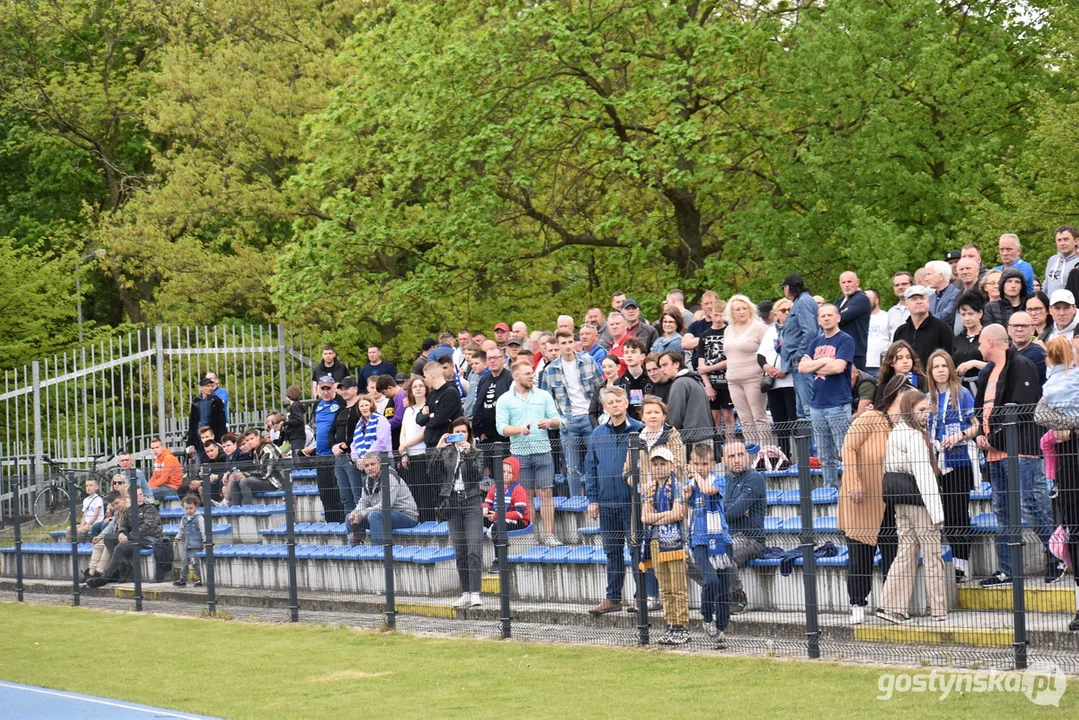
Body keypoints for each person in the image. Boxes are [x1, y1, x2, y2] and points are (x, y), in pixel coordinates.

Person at [974, 324, 1057, 587]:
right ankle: (1008, 569)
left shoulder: (1021, 365)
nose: (977, 346)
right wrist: (980, 434)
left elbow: (1021, 410)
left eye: (979, 342)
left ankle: (1058, 557)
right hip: (994, 453)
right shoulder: (987, 372)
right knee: (1002, 511)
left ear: (989, 342)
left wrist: (992, 437)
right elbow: (980, 410)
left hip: (1021, 450)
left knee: (1031, 505)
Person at [875, 389, 948, 624]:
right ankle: (938, 610)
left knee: (905, 552)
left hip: (900, 500)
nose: (926, 414)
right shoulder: (916, 436)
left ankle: (891, 606)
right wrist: (937, 511)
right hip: (920, 501)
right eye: (921, 410)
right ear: (909, 410)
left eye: (927, 409)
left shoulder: (896, 431)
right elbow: (924, 474)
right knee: (932, 554)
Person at [839, 376, 906, 625]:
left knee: (892, 552)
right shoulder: (869, 418)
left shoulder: (903, 426)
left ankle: (890, 605)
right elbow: (848, 448)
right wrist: (854, 482)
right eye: (903, 396)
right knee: (860, 553)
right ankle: (857, 603)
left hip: (890, 500)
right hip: (861, 499)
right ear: (892, 397)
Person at [585, 387, 646, 616]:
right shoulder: (597, 434)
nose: (615, 405)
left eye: (618, 400)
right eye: (610, 402)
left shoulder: (640, 430)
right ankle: (613, 598)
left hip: (633, 503)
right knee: (612, 552)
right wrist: (593, 499)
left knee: (636, 550)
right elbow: (590, 468)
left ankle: (642, 598)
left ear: (627, 402)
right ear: (605, 406)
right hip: (607, 503)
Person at [496, 360, 561, 545]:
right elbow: (501, 428)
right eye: (527, 373)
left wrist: (550, 423)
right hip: (519, 454)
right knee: (527, 495)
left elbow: (557, 419)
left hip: (543, 450)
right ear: (516, 376)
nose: (531, 376)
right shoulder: (505, 400)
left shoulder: (543, 395)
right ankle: (532, 535)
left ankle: (549, 535)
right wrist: (518, 430)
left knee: (546, 492)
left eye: (532, 373)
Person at [927, 350, 977, 583]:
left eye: (944, 366)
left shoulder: (962, 393)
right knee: (945, 515)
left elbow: (976, 425)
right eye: (935, 366)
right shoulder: (927, 399)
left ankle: (962, 565)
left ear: (950, 369)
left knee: (958, 514)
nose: (940, 370)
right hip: (936, 465)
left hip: (959, 462)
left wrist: (959, 437)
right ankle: (952, 562)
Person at [539, 329, 604, 497]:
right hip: (568, 421)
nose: (568, 346)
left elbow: (601, 389)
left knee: (596, 461)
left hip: (590, 418)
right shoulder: (550, 370)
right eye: (563, 343)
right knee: (571, 467)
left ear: (575, 343)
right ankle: (576, 500)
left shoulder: (589, 361)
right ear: (558, 346)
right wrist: (559, 419)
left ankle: (597, 498)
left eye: (570, 342)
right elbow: (546, 400)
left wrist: (598, 415)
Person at [799, 304, 855, 489]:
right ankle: (829, 488)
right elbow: (801, 368)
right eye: (822, 316)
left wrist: (814, 365)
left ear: (838, 318)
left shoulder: (845, 340)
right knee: (824, 454)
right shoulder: (815, 343)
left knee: (844, 450)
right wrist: (824, 361)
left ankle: (849, 487)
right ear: (818, 320)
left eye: (830, 315)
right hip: (817, 405)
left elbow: (839, 367)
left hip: (837, 403)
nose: (826, 318)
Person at [683, 443, 732, 646]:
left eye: (704, 464)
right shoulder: (689, 485)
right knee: (710, 580)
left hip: (721, 539)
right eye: (696, 464)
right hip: (700, 541)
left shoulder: (719, 481)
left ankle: (721, 630)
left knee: (724, 587)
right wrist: (685, 498)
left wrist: (694, 475)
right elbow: (685, 513)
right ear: (691, 463)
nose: (700, 467)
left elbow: (708, 490)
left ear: (713, 464)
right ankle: (706, 617)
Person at [639, 446, 689, 645]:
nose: (659, 467)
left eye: (663, 464)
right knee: (665, 587)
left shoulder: (677, 486)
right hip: (654, 540)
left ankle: (682, 626)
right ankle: (670, 624)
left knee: (678, 586)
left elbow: (678, 513)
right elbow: (644, 517)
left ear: (671, 466)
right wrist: (663, 517)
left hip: (675, 541)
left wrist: (655, 518)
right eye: (656, 464)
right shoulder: (649, 489)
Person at [434, 418, 486, 609]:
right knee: (460, 551)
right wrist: (439, 448)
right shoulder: (446, 453)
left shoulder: (476, 452)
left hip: (472, 502)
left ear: (469, 434)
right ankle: (465, 592)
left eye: (463, 432)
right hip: (452, 503)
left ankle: (475, 593)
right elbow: (431, 471)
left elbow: (477, 475)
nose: (460, 435)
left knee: (474, 549)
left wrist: (468, 454)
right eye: (457, 432)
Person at [86, 487, 162, 588]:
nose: (139, 497)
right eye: (136, 495)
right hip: (133, 538)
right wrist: (122, 533)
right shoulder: (128, 510)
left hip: (148, 538)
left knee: (120, 547)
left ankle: (105, 577)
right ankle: (123, 566)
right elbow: (124, 525)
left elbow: (146, 527)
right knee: (108, 538)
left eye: (141, 495)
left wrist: (128, 537)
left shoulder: (150, 508)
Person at [722, 294, 770, 447]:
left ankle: (765, 452)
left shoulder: (759, 327)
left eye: (744, 308)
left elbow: (769, 350)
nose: (741, 312)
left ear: (750, 310)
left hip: (753, 377)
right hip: (733, 379)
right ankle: (751, 452)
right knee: (744, 418)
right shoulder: (728, 329)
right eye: (737, 309)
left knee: (758, 416)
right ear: (732, 312)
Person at [346, 453, 419, 546]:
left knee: (374, 516)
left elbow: (385, 505)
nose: (370, 468)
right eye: (366, 466)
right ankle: (355, 548)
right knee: (349, 517)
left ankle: (380, 551)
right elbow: (363, 501)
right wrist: (356, 512)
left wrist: (361, 514)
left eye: (373, 464)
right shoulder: (367, 480)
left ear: (380, 464)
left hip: (406, 516)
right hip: (385, 516)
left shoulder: (389, 476)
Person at [760, 297, 796, 459]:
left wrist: (785, 370)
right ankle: (784, 455)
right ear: (775, 314)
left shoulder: (798, 329)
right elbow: (760, 355)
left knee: (794, 420)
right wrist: (767, 368)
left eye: (790, 310)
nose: (787, 313)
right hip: (774, 383)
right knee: (780, 422)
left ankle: (803, 456)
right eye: (783, 310)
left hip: (792, 382)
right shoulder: (770, 331)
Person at [305, 376, 344, 523]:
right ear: (319, 389)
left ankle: (341, 524)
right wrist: (313, 448)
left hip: (335, 455)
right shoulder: (317, 405)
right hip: (320, 455)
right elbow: (316, 428)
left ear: (334, 387)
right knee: (325, 493)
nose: (326, 391)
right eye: (323, 388)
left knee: (338, 492)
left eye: (329, 388)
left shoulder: (340, 403)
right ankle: (331, 524)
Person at [781, 273, 820, 419]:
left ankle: (816, 442)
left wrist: (799, 355)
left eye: (784, 287)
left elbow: (810, 331)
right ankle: (808, 443)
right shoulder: (801, 301)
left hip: (802, 363)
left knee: (807, 409)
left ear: (788, 287)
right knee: (802, 412)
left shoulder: (803, 301)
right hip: (798, 363)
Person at [658, 350, 714, 446]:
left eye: (665, 365)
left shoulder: (680, 383)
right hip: (705, 437)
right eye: (660, 366)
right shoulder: (693, 380)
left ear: (676, 364)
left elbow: (674, 416)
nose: (662, 370)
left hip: (692, 440)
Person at [891, 284, 954, 368]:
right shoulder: (901, 331)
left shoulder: (942, 328)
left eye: (922, 298)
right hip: (907, 379)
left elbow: (951, 358)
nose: (919, 302)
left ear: (928, 301)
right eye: (914, 299)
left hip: (932, 379)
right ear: (906, 304)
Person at [696, 299, 735, 435]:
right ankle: (718, 447)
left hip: (728, 381)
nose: (719, 318)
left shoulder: (730, 332)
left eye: (722, 315)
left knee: (728, 416)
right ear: (710, 314)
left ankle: (731, 444)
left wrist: (709, 368)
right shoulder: (704, 336)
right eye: (716, 315)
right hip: (711, 382)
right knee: (714, 418)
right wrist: (708, 386)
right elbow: (701, 364)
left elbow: (731, 360)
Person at [329, 377, 363, 515]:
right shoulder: (340, 410)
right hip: (339, 457)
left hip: (352, 456)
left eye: (347, 388)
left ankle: (362, 528)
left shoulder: (360, 407)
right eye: (342, 389)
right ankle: (352, 531)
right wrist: (333, 446)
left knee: (357, 495)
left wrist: (344, 446)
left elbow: (360, 429)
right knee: (345, 497)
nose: (344, 391)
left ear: (355, 389)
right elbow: (331, 431)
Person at [228, 429, 285, 506]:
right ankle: (236, 509)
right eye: (247, 440)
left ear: (258, 437)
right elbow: (256, 470)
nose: (250, 442)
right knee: (235, 482)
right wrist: (242, 474)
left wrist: (244, 476)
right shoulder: (256, 451)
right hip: (267, 480)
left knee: (244, 482)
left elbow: (264, 473)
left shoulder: (267, 448)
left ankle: (247, 509)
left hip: (277, 483)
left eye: (252, 438)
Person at [417, 361, 464, 449]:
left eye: (426, 377)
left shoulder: (450, 393)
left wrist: (427, 416)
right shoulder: (431, 394)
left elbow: (437, 421)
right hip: (430, 444)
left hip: (446, 444)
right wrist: (430, 415)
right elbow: (418, 419)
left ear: (432, 376)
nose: (425, 380)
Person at [472, 346, 512, 445]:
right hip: (486, 435)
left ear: (503, 359)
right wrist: (479, 431)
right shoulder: (483, 380)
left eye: (496, 358)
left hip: (506, 434)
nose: (492, 361)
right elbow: (478, 405)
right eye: (489, 358)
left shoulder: (511, 378)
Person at [873, 340, 927, 407]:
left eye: (908, 357)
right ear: (891, 362)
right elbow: (878, 409)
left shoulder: (922, 381)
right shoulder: (884, 385)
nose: (905, 361)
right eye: (899, 358)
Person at [952, 291, 986, 395]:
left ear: (980, 313)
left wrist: (974, 363)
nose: (967, 318)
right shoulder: (957, 339)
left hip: (985, 388)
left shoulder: (989, 336)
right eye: (963, 314)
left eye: (971, 314)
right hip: (962, 391)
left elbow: (999, 365)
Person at [836, 271, 872, 371]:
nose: (846, 285)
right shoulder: (839, 301)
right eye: (843, 282)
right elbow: (827, 319)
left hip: (855, 352)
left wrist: (835, 317)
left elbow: (843, 317)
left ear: (857, 282)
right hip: (839, 350)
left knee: (856, 383)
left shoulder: (861, 299)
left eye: (849, 282)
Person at [483, 456, 530, 530]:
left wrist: (498, 516)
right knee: (477, 520)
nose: (506, 474)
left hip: (518, 521)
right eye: (503, 471)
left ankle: (501, 541)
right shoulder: (494, 487)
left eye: (510, 472)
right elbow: (488, 503)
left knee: (498, 527)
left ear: (515, 474)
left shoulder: (518, 490)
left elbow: (519, 514)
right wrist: (485, 508)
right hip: (497, 516)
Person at [186, 378, 226, 461]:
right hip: (199, 438)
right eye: (207, 386)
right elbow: (192, 423)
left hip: (212, 436)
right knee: (199, 461)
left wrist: (220, 439)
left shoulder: (216, 401)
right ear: (201, 388)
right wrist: (191, 442)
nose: (210, 388)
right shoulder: (196, 402)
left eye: (212, 386)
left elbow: (221, 422)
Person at [350, 394, 393, 467]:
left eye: (366, 405)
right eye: (361, 406)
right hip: (365, 465)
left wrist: (366, 456)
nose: (364, 408)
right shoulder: (358, 425)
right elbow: (354, 444)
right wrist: (357, 459)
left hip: (383, 460)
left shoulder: (381, 419)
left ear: (372, 405)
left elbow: (382, 441)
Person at [1008, 311, 1048, 385]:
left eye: (1024, 326)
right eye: (1015, 325)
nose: (1019, 329)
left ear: (1033, 330)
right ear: (1009, 330)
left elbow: (1010, 374)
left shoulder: (1038, 353)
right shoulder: (1006, 350)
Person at [173, 494, 204, 587]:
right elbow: (181, 530)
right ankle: (182, 579)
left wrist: (205, 541)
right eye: (186, 508)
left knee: (195, 562)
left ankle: (201, 578)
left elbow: (203, 530)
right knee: (184, 562)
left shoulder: (199, 518)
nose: (188, 511)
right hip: (187, 544)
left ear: (196, 507)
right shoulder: (184, 518)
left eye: (190, 508)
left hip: (196, 544)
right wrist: (177, 538)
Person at [1045, 225, 1079, 297]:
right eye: (1059, 240)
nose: (1062, 243)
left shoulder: (1077, 262)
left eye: (1066, 239)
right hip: (1051, 306)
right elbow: (1046, 286)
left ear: (1076, 241)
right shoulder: (1052, 260)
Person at [589, 356, 623, 427]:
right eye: (604, 367)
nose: (607, 370)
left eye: (610, 366)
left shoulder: (625, 385)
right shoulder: (599, 388)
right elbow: (592, 412)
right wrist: (598, 429)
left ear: (618, 367)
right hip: (603, 426)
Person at [864, 289, 890, 378]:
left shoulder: (887, 316)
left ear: (876, 300)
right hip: (863, 365)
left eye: (867, 299)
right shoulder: (860, 318)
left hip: (880, 366)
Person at [148, 438, 182, 502]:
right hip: (163, 487)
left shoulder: (169, 458)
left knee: (146, 494)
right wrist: (147, 487)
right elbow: (154, 477)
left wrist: (149, 488)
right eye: (153, 448)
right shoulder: (157, 460)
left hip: (172, 488)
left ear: (163, 447)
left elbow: (164, 478)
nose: (155, 450)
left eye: (157, 447)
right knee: (142, 493)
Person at [925, 260, 959, 325]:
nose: (926, 279)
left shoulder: (956, 294)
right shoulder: (930, 298)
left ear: (941, 276)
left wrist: (925, 319)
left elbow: (948, 314)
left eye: (929, 274)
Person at [886, 272, 913, 342]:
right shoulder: (891, 312)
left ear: (912, 285)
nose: (900, 287)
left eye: (904, 284)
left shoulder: (919, 308)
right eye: (897, 285)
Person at [282, 385, 308, 455]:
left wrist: (287, 422)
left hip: (297, 436)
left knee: (297, 459)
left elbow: (298, 420)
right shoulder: (297, 405)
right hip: (296, 436)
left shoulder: (295, 406)